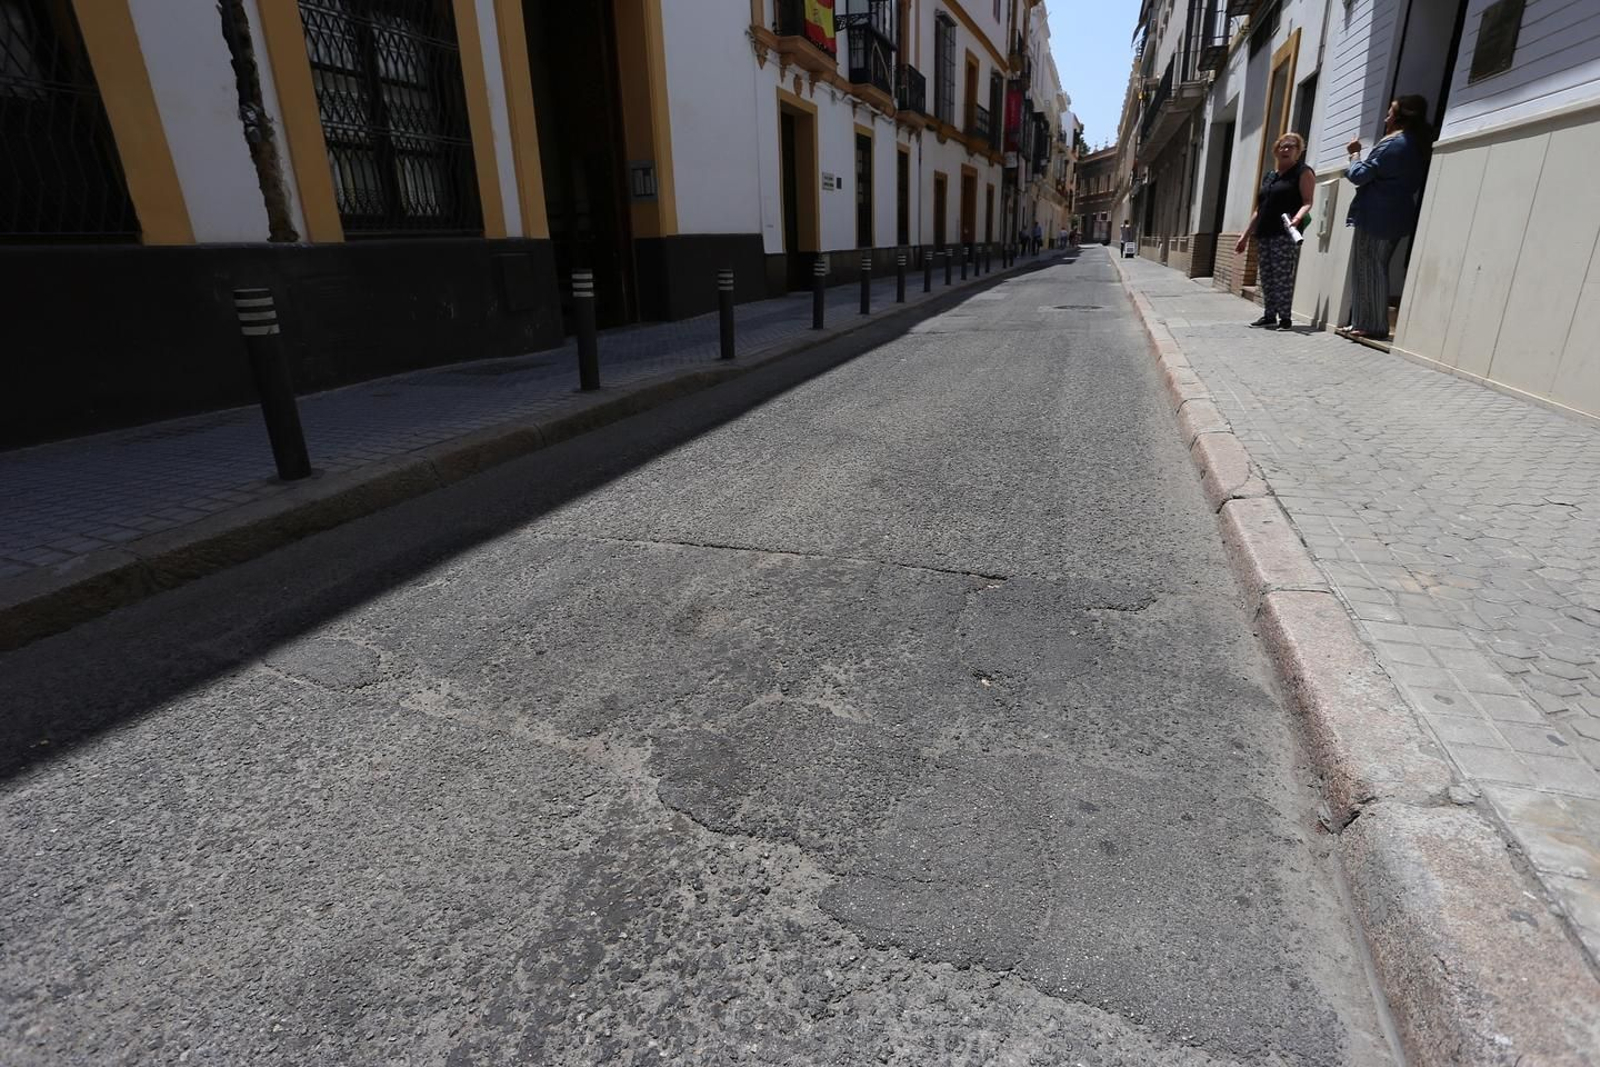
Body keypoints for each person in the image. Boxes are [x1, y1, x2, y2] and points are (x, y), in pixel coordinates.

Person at [1339, 96, 1432, 340]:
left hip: (1376, 214)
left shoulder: (1393, 143)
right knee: (1375, 266)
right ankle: (1363, 322)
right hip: (1396, 213)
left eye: (1390, 113)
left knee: (1369, 267)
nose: (1385, 118)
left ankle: (1372, 325)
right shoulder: (1415, 144)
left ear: (1402, 117)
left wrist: (1355, 154)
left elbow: (1359, 175)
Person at [1236, 133, 1315, 330]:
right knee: (1267, 276)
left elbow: (1308, 201)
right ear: (1276, 150)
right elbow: (1259, 209)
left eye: (1291, 146)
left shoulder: (1302, 172)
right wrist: (1245, 236)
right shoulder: (1270, 176)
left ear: (1298, 151)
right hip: (1264, 232)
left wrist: (1296, 219)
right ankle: (1269, 315)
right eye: (1283, 146)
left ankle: (1285, 319)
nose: (1286, 149)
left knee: (1282, 276)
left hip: (1283, 233)